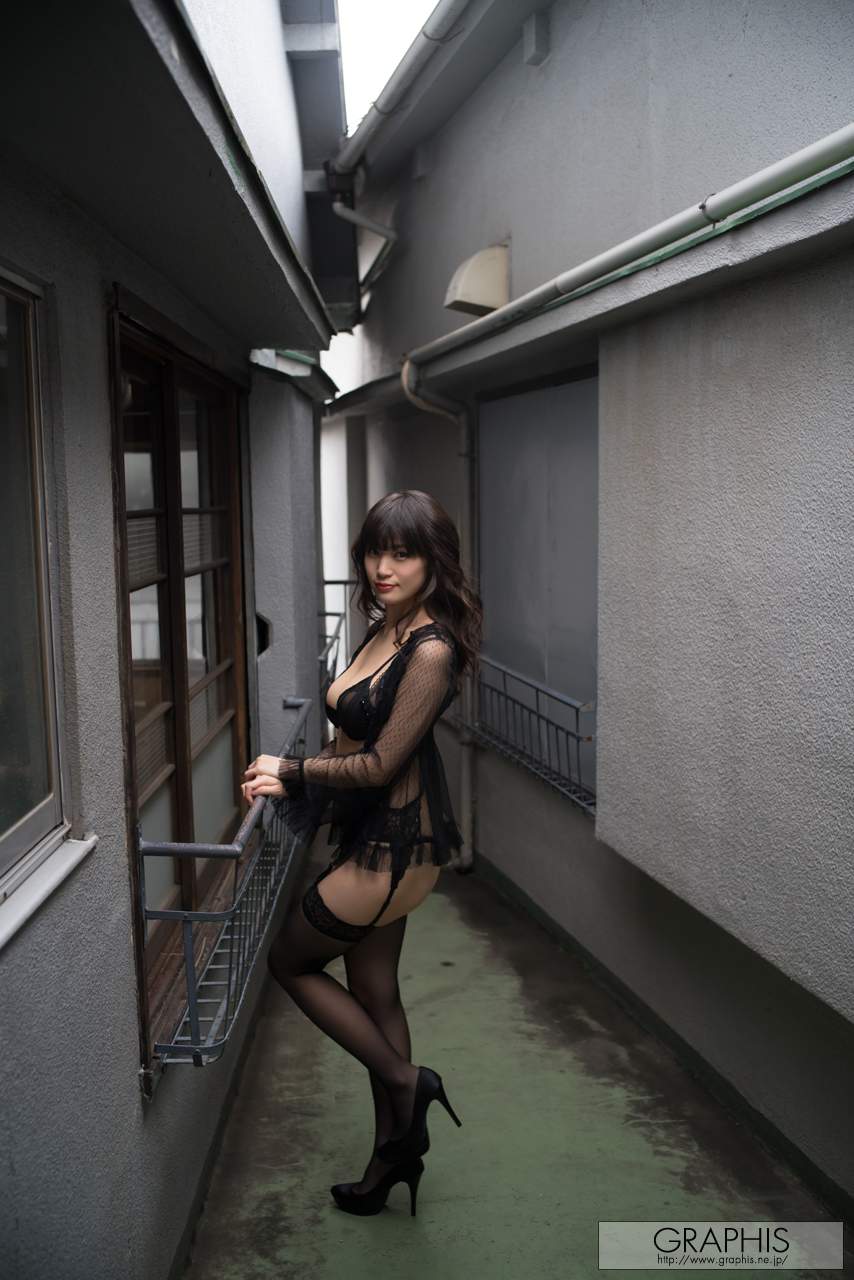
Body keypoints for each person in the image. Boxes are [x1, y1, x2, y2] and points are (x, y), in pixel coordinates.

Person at [242, 489, 482, 1216]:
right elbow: (353, 735)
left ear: (433, 562)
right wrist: (298, 774)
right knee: (377, 995)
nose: (384, 567)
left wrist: (292, 772)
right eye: (375, 551)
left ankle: (409, 1083)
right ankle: (389, 1164)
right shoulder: (388, 627)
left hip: (393, 848)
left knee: (291, 962)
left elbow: (378, 765)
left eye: (403, 554)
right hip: (375, 836)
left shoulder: (431, 650)